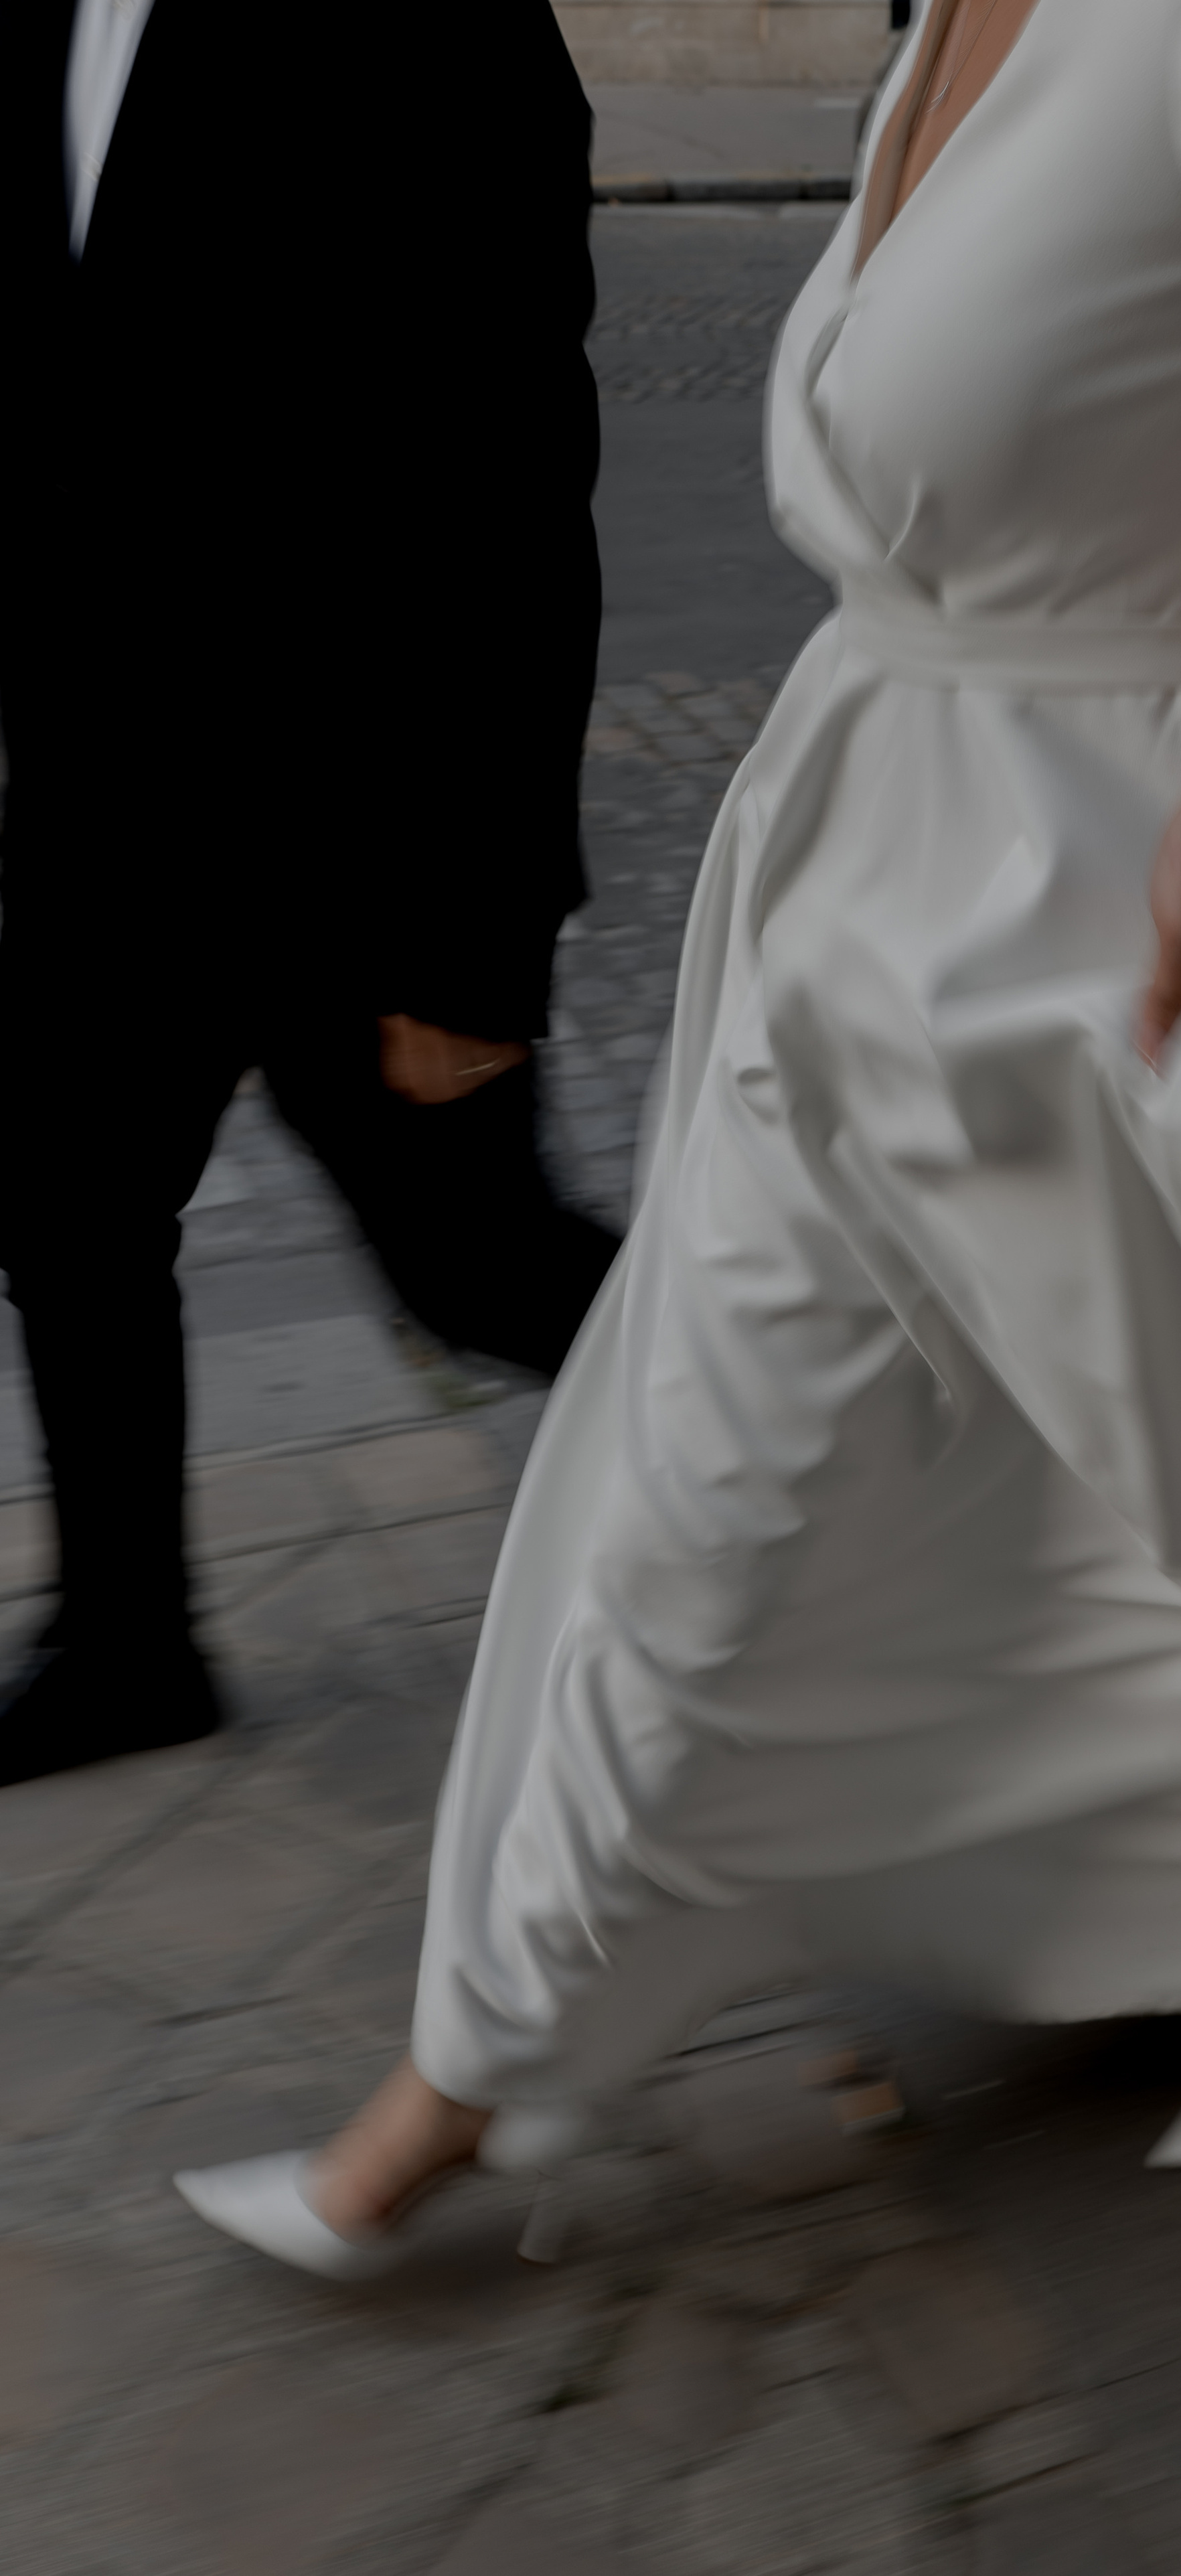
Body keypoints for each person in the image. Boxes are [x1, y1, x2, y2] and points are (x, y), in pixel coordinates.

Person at [178, 0, 1181, 2350]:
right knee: (715, 1488)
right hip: (858, 897)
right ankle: (453, 2091)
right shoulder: (953, 18)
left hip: (1122, 944)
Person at [0, 0, 617, 1787]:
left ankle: (843, 1477)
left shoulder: (427, 21)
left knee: (479, 1269)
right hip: (99, 823)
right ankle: (128, 1640)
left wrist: (478, 936)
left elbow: (509, 490)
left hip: (356, 843)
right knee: (65, 1209)